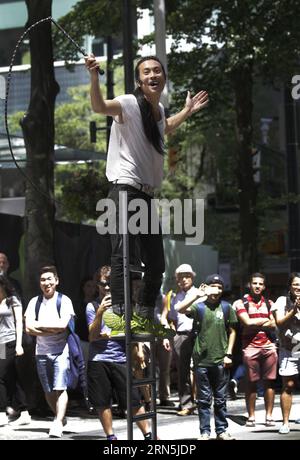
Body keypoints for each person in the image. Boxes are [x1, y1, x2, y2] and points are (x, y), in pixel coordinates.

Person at [85, 54, 208, 333]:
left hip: (146, 195)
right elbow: (99, 106)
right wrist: (94, 77)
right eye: (147, 72)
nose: (153, 75)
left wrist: (187, 110)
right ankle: (117, 314)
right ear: (139, 81)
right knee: (124, 256)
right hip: (124, 189)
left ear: (163, 78)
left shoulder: (159, 110)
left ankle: (142, 314)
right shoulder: (128, 103)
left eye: (157, 71)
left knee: (156, 262)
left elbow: (163, 128)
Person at [86, 265, 153, 440]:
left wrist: (138, 350)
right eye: (102, 283)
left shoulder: (125, 306)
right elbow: (93, 336)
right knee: (102, 402)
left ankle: (148, 434)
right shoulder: (92, 306)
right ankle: (111, 437)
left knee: (132, 399)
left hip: (121, 358)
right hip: (98, 359)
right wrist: (100, 312)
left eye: (110, 283)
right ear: (97, 285)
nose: (106, 287)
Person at [176, 274, 237, 440]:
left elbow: (232, 331)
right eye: (213, 286)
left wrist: (229, 354)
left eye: (219, 287)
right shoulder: (199, 307)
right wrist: (197, 295)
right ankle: (205, 432)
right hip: (201, 361)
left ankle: (221, 430)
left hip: (220, 360)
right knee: (203, 400)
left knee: (220, 399)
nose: (216, 290)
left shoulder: (226, 307)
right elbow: (179, 309)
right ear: (206, 287)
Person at [25, 265, 75, 438]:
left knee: (60, 387)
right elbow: (28, 328)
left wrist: (40, 326)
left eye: (49, 279)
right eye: (43, 280)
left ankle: (57, 422)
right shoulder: (34, 302)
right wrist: (51, 329)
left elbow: (63, 326)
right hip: (41, 352)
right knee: (48, 390)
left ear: (56, 281)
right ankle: (60, 416)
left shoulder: (65, 300)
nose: (46, 283)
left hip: (61, 351)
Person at [233, 273, 278, 427]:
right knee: (250, 383)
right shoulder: (240, 303)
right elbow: (246, 322)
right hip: (250, 347)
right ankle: (251, 416)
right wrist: (264, 321)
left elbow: (274, 324)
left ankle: (269, 416)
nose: (257, 286)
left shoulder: (271, 303)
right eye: (254, 283)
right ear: (249, 285)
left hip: (269, 346)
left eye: (260, 284)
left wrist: (255, 322)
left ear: (264, 287)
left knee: (270, 383)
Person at [161, 264, 199, 415]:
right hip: (181, 334)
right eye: (180, 277)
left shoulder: (200, 293)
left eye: (187, 276)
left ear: (192, 277)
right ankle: (186, 404)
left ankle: (201, 401)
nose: (184, 280)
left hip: (198, 333)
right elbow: (169, 318)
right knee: (182, 371)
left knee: (200, 369)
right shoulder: (174, 296)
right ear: (177, 280)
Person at [271, 272, 300, 434]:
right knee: (288, 385)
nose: (298, 287)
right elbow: (280, 324)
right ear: (290, 286)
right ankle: (285, 422)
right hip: (289, 349)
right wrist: (294, 309)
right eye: (295, 284)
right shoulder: (282, 301)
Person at [0, 276, 30, 427]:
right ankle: (23, 412)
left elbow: (19, 322)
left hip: (11, 341)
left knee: (2, 376)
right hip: (0, 344)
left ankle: (2, 413)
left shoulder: (13, 300)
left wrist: (19, 344)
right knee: (11, 377)